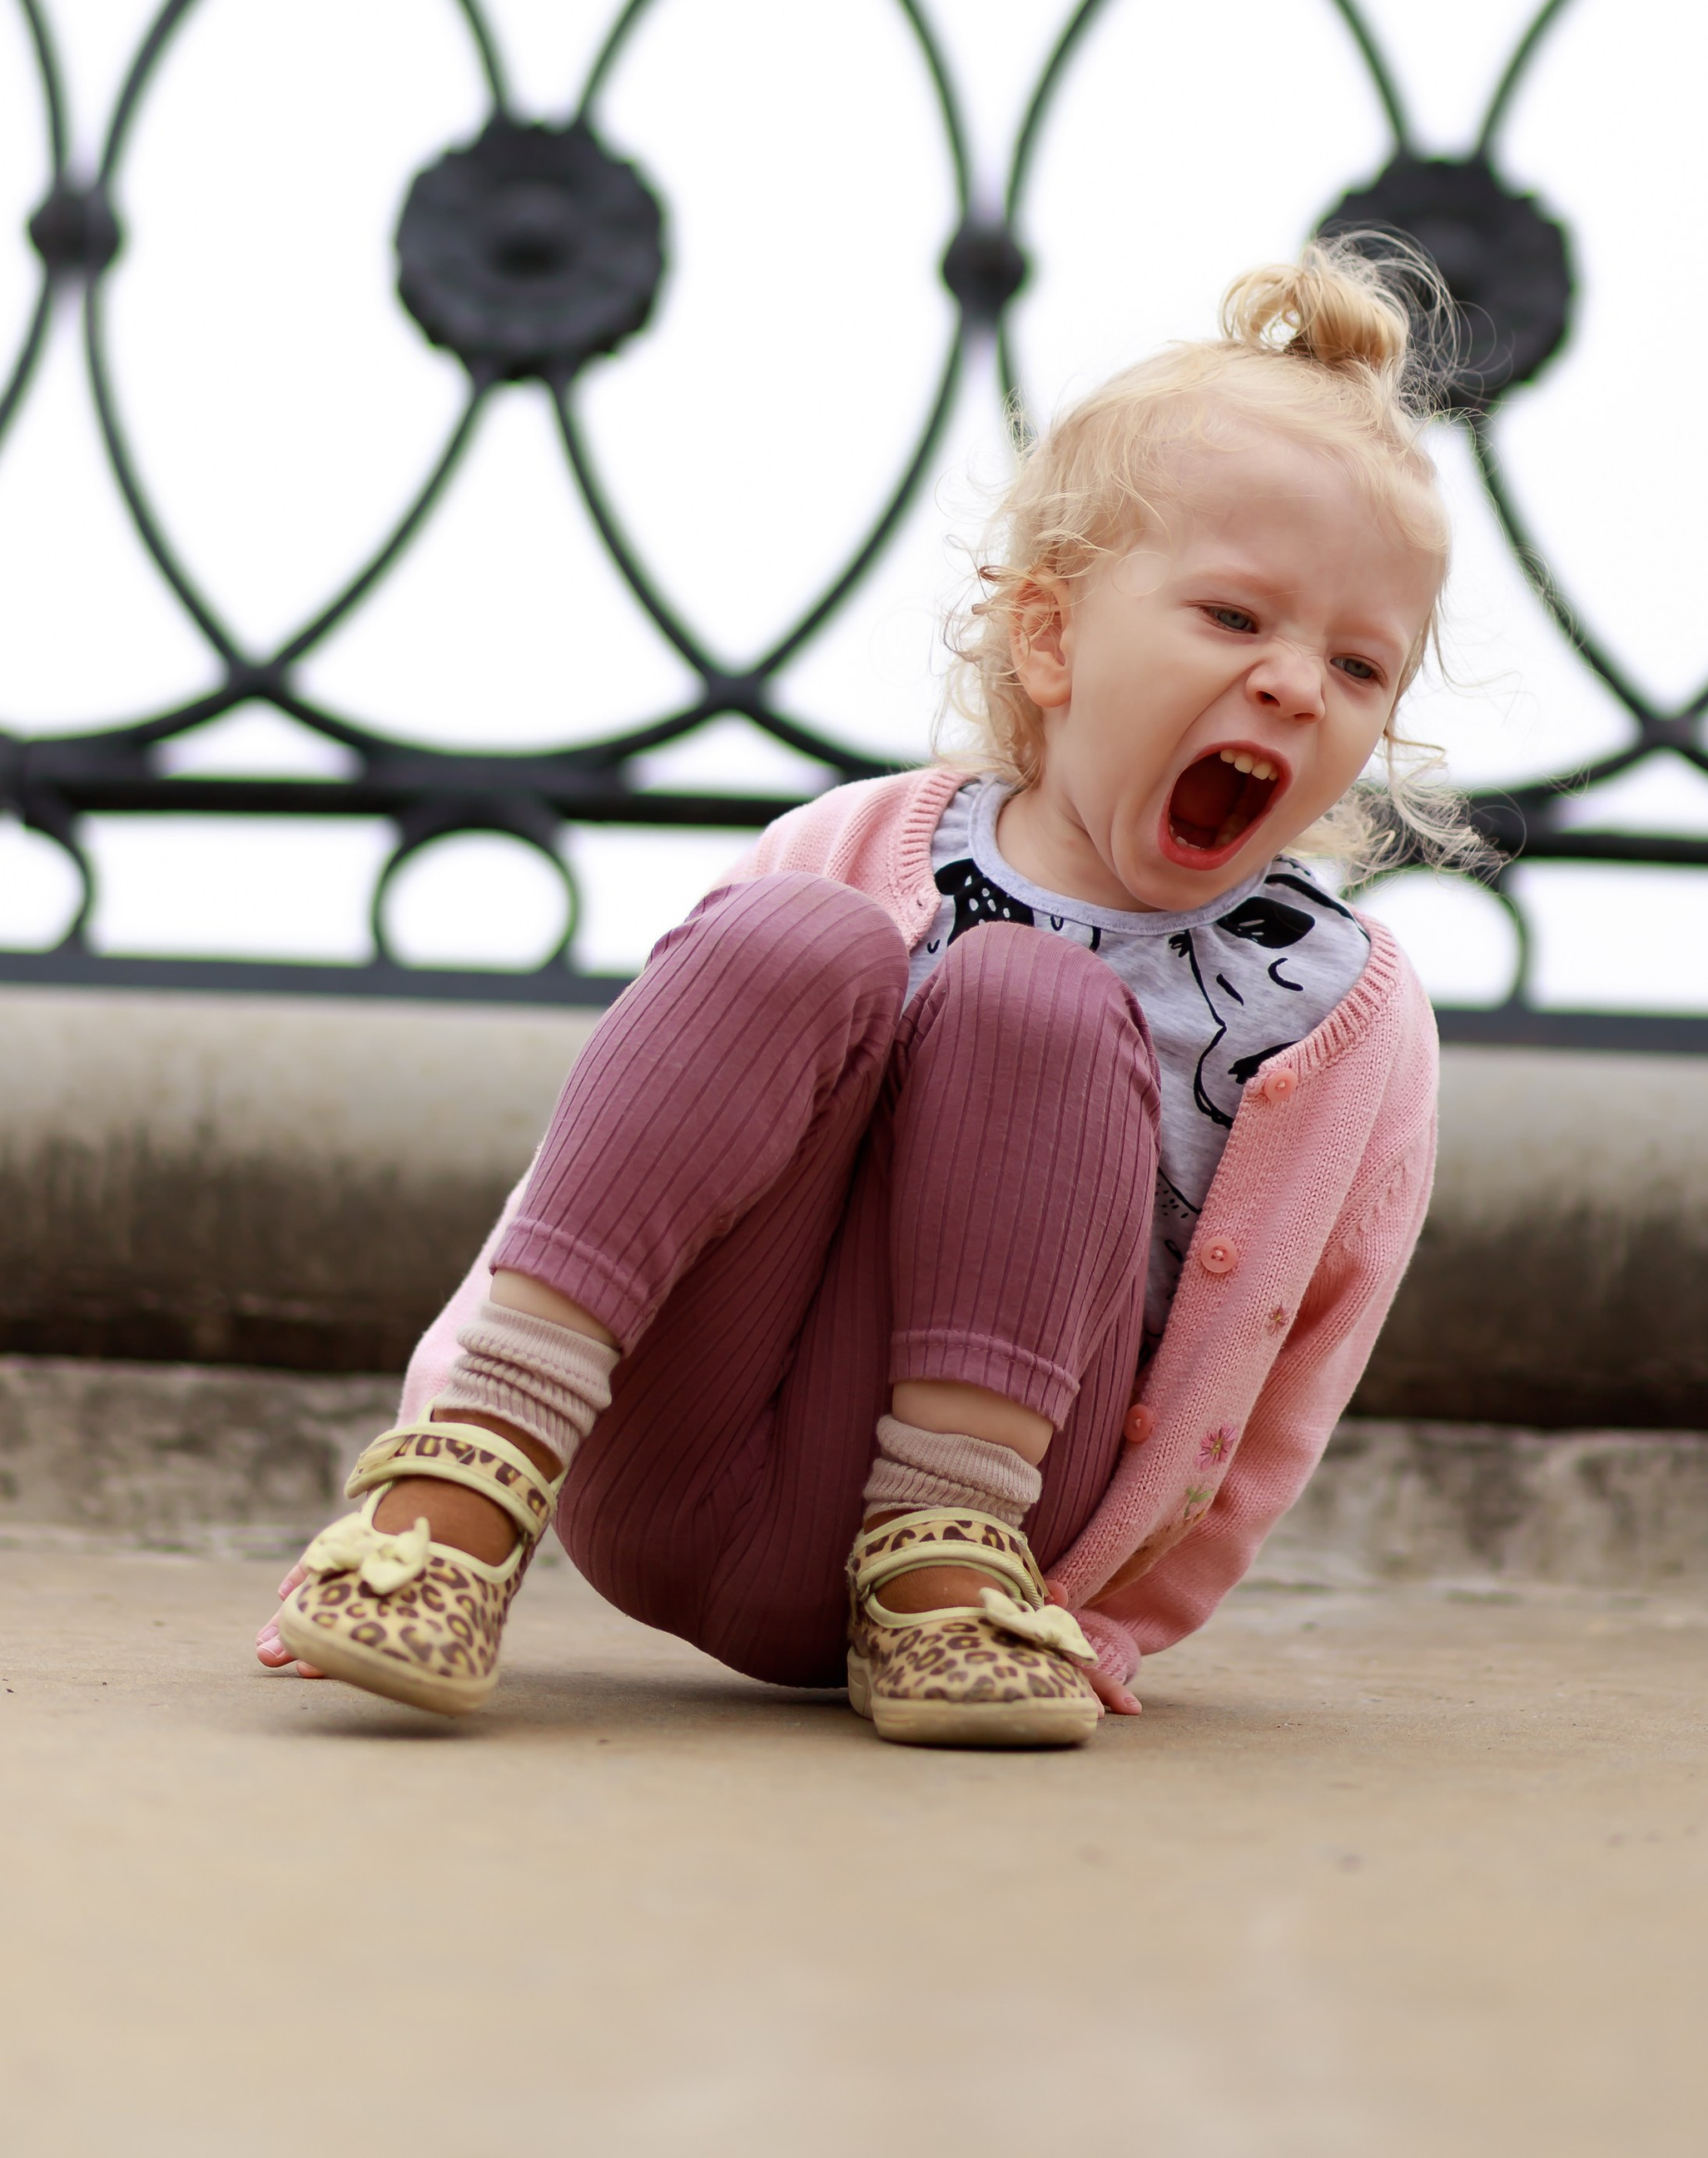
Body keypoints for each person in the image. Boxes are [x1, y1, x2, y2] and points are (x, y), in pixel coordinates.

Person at [259, 243, 1468, 1748]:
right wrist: (433, 1426)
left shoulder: (1340, 1007)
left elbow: (1296, 1373)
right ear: (1051, 635)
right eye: (1234, 619)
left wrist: (1107, 1620)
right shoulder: (850, 846)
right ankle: (456, 1495)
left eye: (1360, 666)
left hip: (996, 1547)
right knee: (789, 939)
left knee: (1035, 1001)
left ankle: (943, 1571)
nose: (1297, 683)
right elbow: (592, 1177)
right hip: (685, 1456)